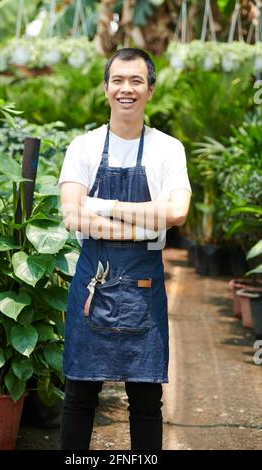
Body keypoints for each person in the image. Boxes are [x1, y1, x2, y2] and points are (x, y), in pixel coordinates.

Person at [59, 48, 191, 450]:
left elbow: (178, 212)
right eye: (118, 80)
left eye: (136, 81)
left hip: (143, 285)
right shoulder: (83, 146)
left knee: (147, 397)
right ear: (106, 88)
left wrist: (106, 208)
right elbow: (72, 215)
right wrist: (143, 223)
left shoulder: (168, 149)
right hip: (92, 286)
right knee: (80, 394)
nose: (126, 89)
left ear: (150, 89)